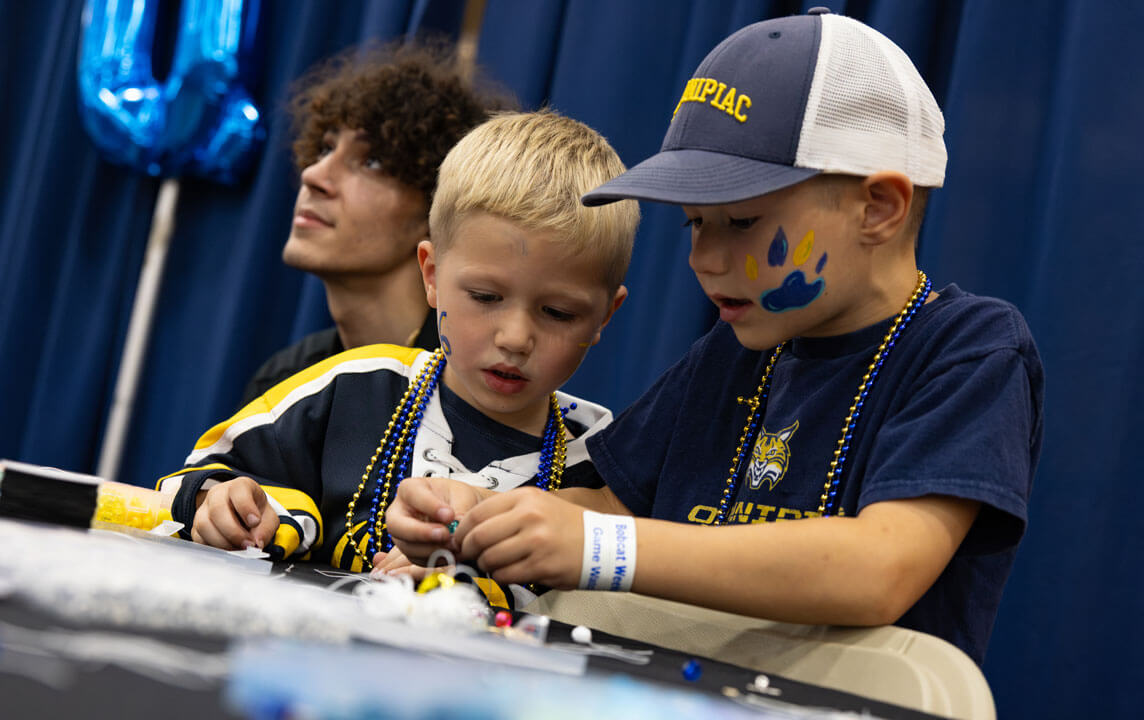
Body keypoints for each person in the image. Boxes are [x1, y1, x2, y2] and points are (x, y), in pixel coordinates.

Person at [385, 10, 1044, 664]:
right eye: (694, 225)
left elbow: (880, 570)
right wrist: (482, 515)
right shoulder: (737, 349)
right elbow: (607, 502)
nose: (704, 258)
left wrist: (596, 545)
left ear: (879, 208)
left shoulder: (969, 349)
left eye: (742, 221)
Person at [157, 112, 637, 588]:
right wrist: (222, 503)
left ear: (604, 317)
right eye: (486, 298)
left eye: (557, 313)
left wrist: (470, 577)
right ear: (431, 275)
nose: (515, 338)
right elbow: (195, 475)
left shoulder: (599, 469)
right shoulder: (353, 387)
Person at [239, 41, 506, 407]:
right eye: (324, 150)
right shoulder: (286, 382)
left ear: (435, 209)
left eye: (372, 162)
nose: (314, 175)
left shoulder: (480, 391)